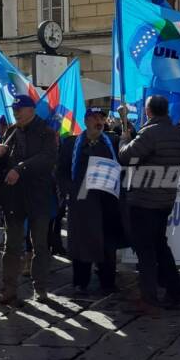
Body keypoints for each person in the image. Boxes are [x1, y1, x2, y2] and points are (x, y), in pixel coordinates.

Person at [117, 94, 180, 308]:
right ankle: (175, 290)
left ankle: (148, 297)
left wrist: (124, 137)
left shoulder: (150, 133)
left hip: (144, 200)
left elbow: (126, 156)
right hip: (165, 199)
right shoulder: (177, 133)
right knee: (160, 245)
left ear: (148, 111)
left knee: (145, 250)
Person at [0, 94, 57, 305]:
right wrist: (0, 153)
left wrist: (20, 169)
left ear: (31, 110)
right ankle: (8, 289)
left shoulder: (47, 133)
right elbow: (4, 163)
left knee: (39, 244)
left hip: (39, 196)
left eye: (20, 109)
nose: (16, 112)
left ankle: (40, 288)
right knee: (11, 245)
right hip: (14, 198)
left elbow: (47, 159)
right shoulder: (11, 131)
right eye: (14, 109)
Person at [57, 107, 126, 295]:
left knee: (107, 244)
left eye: (101, 118)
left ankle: (108, 282)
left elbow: (126, 157)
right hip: (81, 203)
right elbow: (61, 171)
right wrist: (69, 191)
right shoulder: (72, 144)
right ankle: (80, 281)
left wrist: (124, 118)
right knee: (81, 244)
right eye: (95, 117)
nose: (99, 121)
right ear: (86, 121)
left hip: (106, 202)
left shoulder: (112, 141)